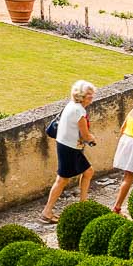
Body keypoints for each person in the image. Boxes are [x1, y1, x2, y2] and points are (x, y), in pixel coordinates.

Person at [40, 80, 96, 223]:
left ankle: (83, 204)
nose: (91, 96)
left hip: (67, 146)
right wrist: (92, 139)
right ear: (81, 96)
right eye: (89, 94)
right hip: (69, 148)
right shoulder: (79, 111)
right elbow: (85, 135)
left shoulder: (73, 106)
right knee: (62, 179)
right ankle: (47, 212)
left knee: (88, 172)